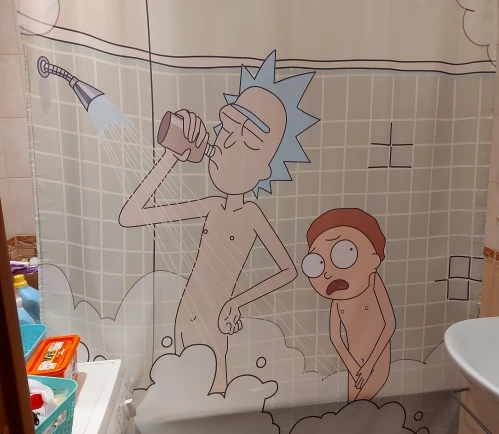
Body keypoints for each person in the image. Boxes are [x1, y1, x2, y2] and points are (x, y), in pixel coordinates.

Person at [119, 51, 317, 393]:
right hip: (185, 319)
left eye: (248, 140)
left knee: (214, 397)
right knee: (186, 399)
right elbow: (131, 215)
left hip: (213, 326)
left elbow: (288, 269)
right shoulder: (212, 205)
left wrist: (237, 301)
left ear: (264, 169)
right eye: (226, 128)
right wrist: (172, 157)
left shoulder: (251, 214)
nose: (225, 141)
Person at [302, 208, 396, 402]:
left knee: (362, 407)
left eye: (345, 253)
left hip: (376, 360)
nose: (328, 273)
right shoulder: (337, 301)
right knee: (354, 407)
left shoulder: (373, 282)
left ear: (375, 259)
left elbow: (389, 325)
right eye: (316, 263)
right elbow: (336, 338)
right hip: (354, 365)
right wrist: (353, 367)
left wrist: (369, 365)